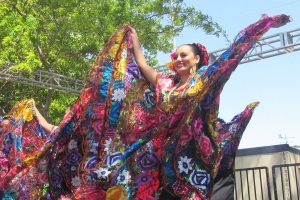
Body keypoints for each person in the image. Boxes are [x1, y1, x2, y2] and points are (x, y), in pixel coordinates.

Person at [0, 14, 290, 200]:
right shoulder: (164, 85)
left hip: (197, 158)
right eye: (175, 55)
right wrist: (134, 41)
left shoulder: (205, 80)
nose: (177, 59)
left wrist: (264, 25)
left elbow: (233, 54)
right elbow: (142, 65)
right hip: (161, 158)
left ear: (198, 59)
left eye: (184, 55)